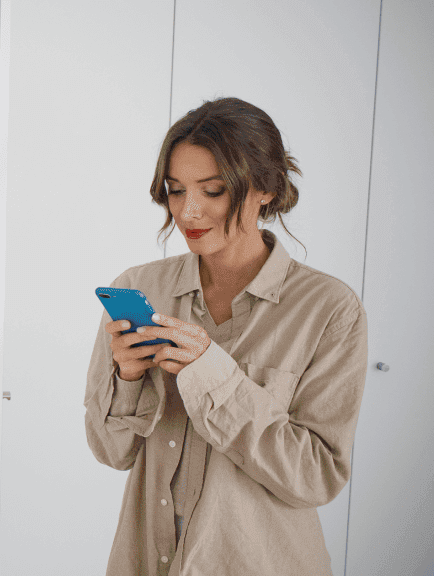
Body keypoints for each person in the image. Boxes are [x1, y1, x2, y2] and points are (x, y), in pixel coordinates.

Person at [84, 97, 368, 576]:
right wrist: (129, 376)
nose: (188, 211)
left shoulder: (329, 309)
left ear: (265, 189)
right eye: (175, 191)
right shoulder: (138, 287)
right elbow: (111, 452)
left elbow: (317, 476)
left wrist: (212, 374)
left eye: (213, 190)